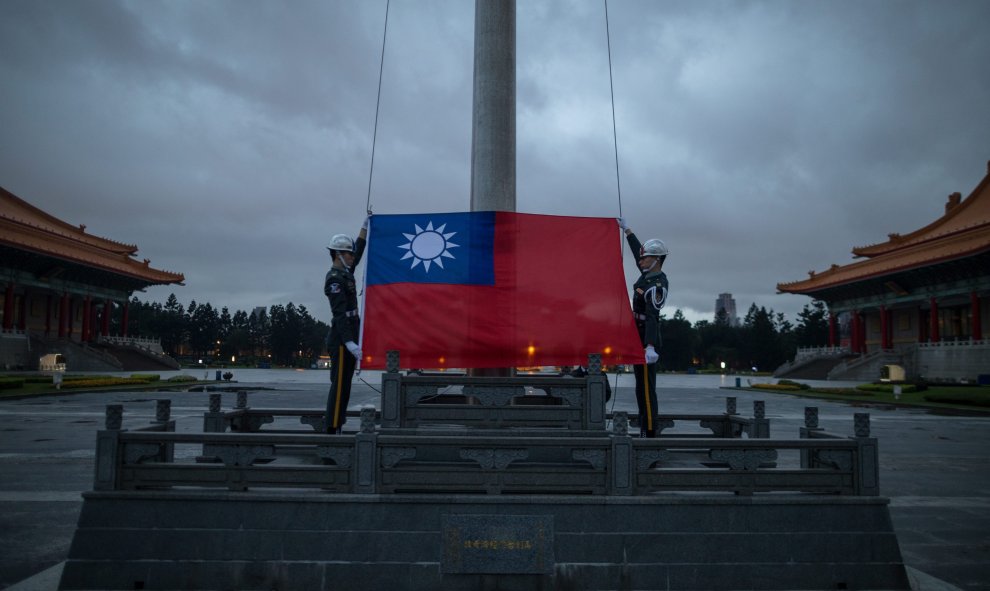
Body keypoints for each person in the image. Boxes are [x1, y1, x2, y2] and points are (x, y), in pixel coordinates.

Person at [619, 218, 668, 437]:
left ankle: (650, 430)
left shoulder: (657, 284)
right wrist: (628, 231)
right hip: (637, 333)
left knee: (647, 389)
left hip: (646, 338)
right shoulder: (647, 274)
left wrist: (650, 346)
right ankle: (644, 425)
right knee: (640, 385)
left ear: (656, 260)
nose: (641, 260)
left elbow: (652, 316)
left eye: (646, 257)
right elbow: (638, 252)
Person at [324, 218, 368, 434]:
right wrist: (349, 341)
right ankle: (332, 428)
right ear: (338, 255)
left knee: (346, 386)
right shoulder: (334, 280)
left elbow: (358, 253)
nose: (352, 256)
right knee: (339, 385)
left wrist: (364, 229)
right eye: (348, 254)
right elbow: (339, 314)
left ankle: (338, 424)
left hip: (350, 335)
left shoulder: (346, 273)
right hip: (342, 340)